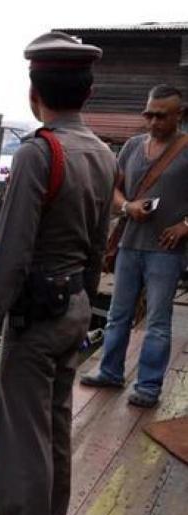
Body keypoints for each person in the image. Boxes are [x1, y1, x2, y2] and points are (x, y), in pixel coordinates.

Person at [0, 31, 116, 515]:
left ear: (33, 91)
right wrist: (87, 304)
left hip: (35, 314)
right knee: (54, 425)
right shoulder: (101, 153)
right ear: (88, 92)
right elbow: (100, 243)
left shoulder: (38, 152)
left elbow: (11, 254)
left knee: (23, 433)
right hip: (73, 303)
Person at [80, 85, 188, 407]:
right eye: (148, 114)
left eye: (161, 116)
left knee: (157, 321)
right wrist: (127, 207)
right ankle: (110, 371)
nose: (153, 122)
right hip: (128, 244)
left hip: (166, 251)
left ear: (179, 116)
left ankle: (149, 386)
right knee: (117, 314)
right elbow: (114, 189)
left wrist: (185, 226)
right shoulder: (131, 146)